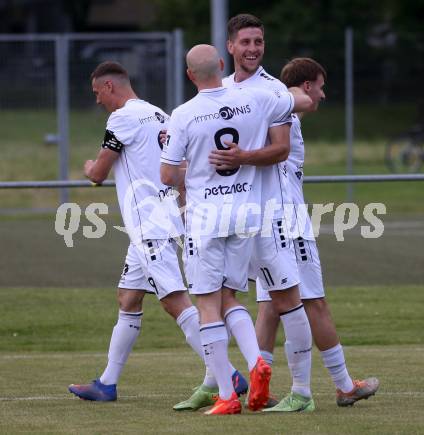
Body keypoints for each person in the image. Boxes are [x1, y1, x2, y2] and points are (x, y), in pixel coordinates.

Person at [210, 13, 380, 409]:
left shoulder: (273, 91)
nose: (253, 48)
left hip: (285, 217)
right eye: (246, 42)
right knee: (275, 305)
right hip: (255, 219)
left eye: (259, 42)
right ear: (230, 46)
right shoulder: (221, 94)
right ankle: (267, 386)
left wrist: (291, 97)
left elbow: (294, 114)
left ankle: (330, 385)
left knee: (289, 302)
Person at [67, 61, 248, 403]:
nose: (97, 101)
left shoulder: (121, 118)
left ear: (109, 87)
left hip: (148, 223)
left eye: (96, 93)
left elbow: (99, 174)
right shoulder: (160, 115)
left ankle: (229, 374)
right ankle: (107, 383)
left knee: (174, 302)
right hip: (162, 216)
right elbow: (178, 167)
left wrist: (88, 167)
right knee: (128, 297)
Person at [160, 44, 313, 415]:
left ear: (189, 75)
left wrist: (197, 169)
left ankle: (229, 394)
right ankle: (258, 364)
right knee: (232, 298)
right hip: (248, 216)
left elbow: (166, 174)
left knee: (209, 303)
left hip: (206, 218)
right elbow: (302, 101)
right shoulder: (257, 99)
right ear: (224, 65)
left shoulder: (183, 114)